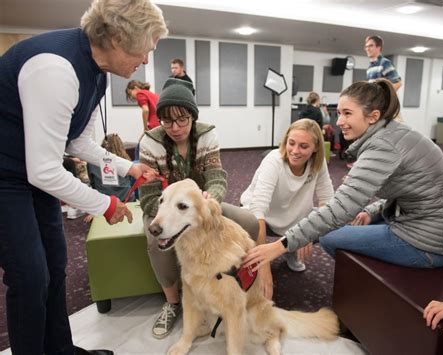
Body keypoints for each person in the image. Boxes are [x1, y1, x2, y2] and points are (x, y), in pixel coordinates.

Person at [0, 0, 168, 354]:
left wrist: (128, 167)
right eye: (146, 48)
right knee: (29, 278)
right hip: (5, 176)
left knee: (55, 264)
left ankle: (61, 349)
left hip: (31, 174)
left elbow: (77, 140)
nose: (146, 60)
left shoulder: (98, 73)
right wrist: (105, 204)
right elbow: (44, 169)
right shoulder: (55, 68)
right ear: (119, 37)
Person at [243, 78, 443, 274]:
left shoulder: (382, 146)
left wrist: (280, 245)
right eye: (339, 113)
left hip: (430, 244)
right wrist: (371, 209)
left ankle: (375, 286)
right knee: (341, 223)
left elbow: (339, 208)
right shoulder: (394, 134)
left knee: (328, 237)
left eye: (347, 113)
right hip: (433, 227)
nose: (339, 121)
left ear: (373, 116)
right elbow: (412, 189)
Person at [138, 78, 259, 339]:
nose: (175, 127)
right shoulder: (150, 142)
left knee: (248, 221)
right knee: (155, 239)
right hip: (164, 206)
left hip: (200, 206)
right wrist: (170, 213)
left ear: (192, 116)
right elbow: (147, 196)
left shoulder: (207, 134)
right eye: (167, 121)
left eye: (182, 119)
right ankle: (172, 302)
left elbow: (217, 176)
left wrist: (209, 200)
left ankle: (240, 286)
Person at [240, 119, 334, 299]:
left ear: (315, 148)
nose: (295, 151)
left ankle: (290, 249)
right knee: (246, 222)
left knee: (327, 221)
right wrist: (263, 265)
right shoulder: (274, 161)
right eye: (291, 143)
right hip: (262, 218)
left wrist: (309, 232)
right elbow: (258, 209)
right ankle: (261, 254)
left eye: (303, 146)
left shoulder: (318, 162)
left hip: (295, 219)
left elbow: (328, 201)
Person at [87, 133, 135, 203]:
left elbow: (92, 183)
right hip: (127, 198)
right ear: (120, 146)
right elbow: (130, 181)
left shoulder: (92, 162)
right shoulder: (126, 161)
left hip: (104, 201)